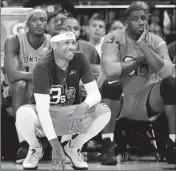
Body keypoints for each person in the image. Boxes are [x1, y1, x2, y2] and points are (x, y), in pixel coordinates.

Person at [16, 28, 111, 170]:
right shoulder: (43, 66)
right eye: (66, 43)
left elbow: (95, 94)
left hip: (70, 115)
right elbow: (42, 110)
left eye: (73, 43)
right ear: (54, 45)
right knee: (23, 113)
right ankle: (35, 148)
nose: (72, 47)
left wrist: (82, 106)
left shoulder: (79, 59)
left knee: (104, 111)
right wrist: (55, 146)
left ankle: (73, 148)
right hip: (45, 116)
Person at [99, 1, 176, 164]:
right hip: (118, 99)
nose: (141, 22)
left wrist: (144, 47)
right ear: (126, 20)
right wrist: (139, 60)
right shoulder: (113, 38)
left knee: (171, 84)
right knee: (112, 82)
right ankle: (107, 145)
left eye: (143, 18)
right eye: (135, 18)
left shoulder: (156, 40)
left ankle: (173, 142)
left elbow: (168, 72)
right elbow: (111, 71)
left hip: (146, 100)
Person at [4, 8, 51, 163]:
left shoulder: (52, 42)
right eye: (34, 20)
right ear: (27, 24)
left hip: (43, 91)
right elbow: (12, 75)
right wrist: (38, 77)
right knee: (21, 85)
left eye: (42, 19)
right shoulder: (14, 41)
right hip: (15, 94)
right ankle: (24, 142)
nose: (39, 23)